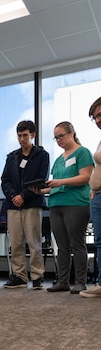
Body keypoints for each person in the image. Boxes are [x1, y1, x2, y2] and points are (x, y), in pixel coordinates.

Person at [45, 121, 94, 294]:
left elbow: (85, 177)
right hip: (55, 203)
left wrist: (61, 182)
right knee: (62, 245)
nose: (58, 140)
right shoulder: (59, 159)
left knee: (77, 243)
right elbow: (54, 184)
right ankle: (63, 281)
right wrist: (40, 189)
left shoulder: (83, 152)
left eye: (61, 136)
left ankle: (80, 282)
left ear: (71, 133)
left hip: (76, 203)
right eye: (56, 137)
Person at [1, 120, 50, 289]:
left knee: (34, 242)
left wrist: (23, 196)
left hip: (32, 203)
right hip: (13, 205)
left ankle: (37, 276)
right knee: (15, 243)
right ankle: (20, 277)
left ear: (33, 135)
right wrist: (14, 196)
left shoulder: (42, 155)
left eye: (25, 135)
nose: (22, 139)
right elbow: (5, 180)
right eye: (19, 136)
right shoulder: (12, 157)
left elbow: (40, 179)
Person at [80, 98, 101, 298]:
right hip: (97, 196)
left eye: (100, 115)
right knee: (100, 241)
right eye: (95, 117)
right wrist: (93, 188)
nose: (98, 120)